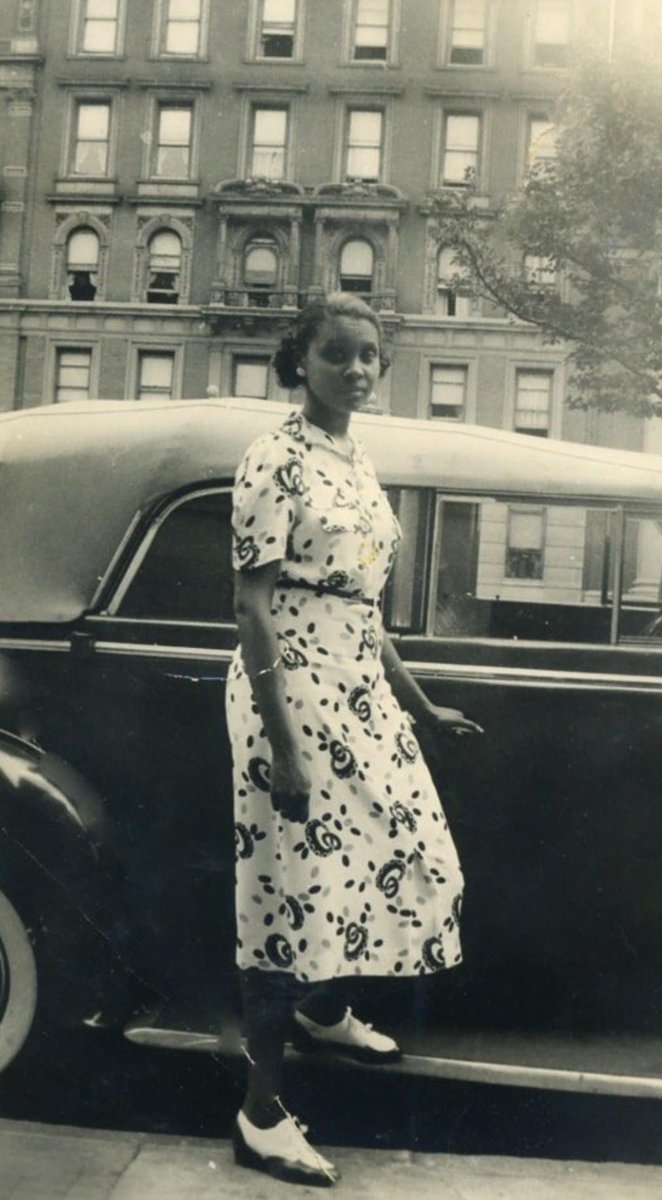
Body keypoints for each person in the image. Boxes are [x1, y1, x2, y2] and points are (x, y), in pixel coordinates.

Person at [226, 292, 482, 1187]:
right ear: (301, 362)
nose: (360, 370)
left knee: (416, 856)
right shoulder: (275, 458)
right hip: (287, 686)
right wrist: (283, 741)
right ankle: (261, 1112)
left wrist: (419, 703)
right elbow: (254, 606)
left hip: (360, 687)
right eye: (340, 356)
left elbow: (363, 609)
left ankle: (323, 1008)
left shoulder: (354, 457)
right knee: (289, 890)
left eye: (371, 355)